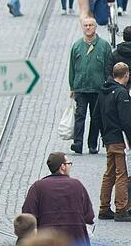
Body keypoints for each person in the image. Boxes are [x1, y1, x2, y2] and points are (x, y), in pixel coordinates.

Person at [22, 152, 94, 243]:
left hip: (47, 239)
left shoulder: (38, 187)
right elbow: (89, 216)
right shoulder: (77, 185)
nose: (70, 166)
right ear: (62, 167)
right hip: (76, 239)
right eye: (68, 163)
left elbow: (28, 214)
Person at [68, 17, 113, 154]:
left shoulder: (104, 46)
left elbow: (108, 68)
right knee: (80, 115)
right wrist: (72, 87)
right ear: (82, 27)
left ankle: (92, 144)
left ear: (95, 27)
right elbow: (72, 68)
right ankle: (78, 142)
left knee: (96, 117)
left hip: (97, 88)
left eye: (90, 25)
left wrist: (108, 86)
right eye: (86, 25)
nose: (88, 28)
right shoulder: (76, 46)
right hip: (81, 87)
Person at [96, 62, 131, 221]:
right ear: (126, 75)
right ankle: (121, 208)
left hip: (108, 138)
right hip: (119, 139)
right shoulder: (121, 93)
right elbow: (126, 120)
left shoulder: (103, 91)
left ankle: (104, 208)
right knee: (121, 174)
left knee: (109, 173)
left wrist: (102, 136)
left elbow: (96, 116)